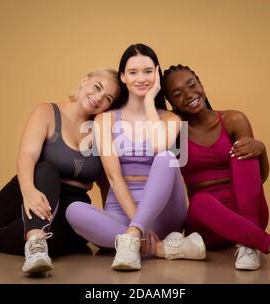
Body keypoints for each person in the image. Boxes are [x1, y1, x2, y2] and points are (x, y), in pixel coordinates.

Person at [0, 68, 121, 274]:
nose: (98, 98)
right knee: (46, 169)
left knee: (72, 240)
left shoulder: (101, 131)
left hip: (69, 208)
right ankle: (33, 239)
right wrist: (28, 190)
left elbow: (107, 180)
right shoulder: (47, 111)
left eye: (107, 98)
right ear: (85, 80)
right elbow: (27, 155)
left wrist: (109, 222)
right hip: (27, 196)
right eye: (97, 87)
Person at [161, 64, 270, 275]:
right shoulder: (175, 133)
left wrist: (262, 151)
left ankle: (249, 245)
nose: (189, 94)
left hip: (249, 212)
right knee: (199, 201)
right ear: (170, 102)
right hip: (208, 224)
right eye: (177, 94)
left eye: (192, 85)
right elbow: (168, 180)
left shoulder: (233, 119)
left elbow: (257, 179)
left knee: (245, 150)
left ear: (200, 84)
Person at [66, 44, 206, 271]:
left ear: (156, 74)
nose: (141, 78)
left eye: (148, 71)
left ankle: (131, 240)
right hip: (121, 211)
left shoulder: (172, 118)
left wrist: (150, 101)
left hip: (164, 211)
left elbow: (160, 146)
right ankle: (161, 248)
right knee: (73, 210)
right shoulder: (105, 119)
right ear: (123, 77)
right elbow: (112, 176)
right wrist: (137, 224)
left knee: (167, 157)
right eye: (133, 72)